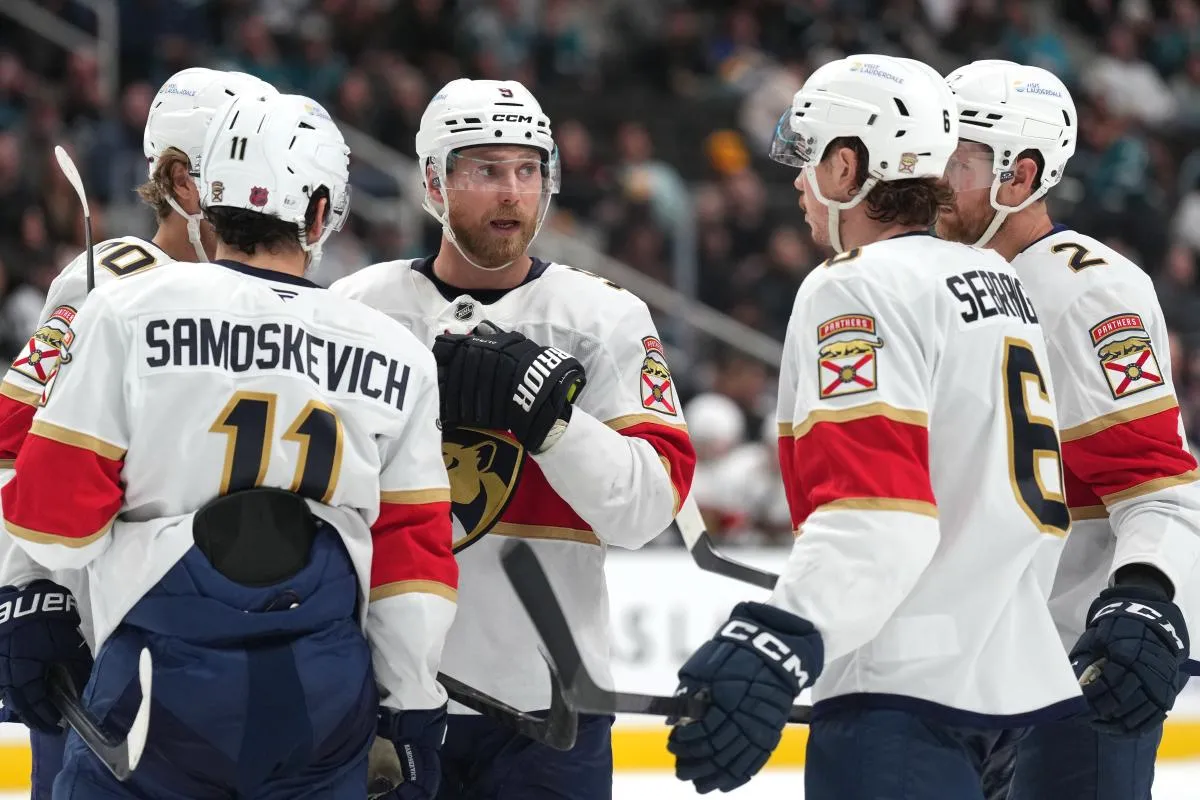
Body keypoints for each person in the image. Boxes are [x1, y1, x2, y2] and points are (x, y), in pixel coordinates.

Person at [0, 91, 457, 799]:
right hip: (323, 686)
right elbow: (413, 566)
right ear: (318, 214)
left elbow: (52, 525)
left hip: (161, 682)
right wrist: (412, 706)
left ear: (203, 201)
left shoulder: (125, 309)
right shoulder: (396, 351)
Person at [667, 54, 1088, 799]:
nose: (798, 179)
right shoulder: (997, 282)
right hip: (995, 688)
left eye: (809, 156)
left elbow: (877, 511)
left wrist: (780, 637)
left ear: (849, 165)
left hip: (899, 690)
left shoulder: (857, 284)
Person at [331, 78, 696, 800]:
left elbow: (648, 509)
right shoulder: (356, 310)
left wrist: (551, 423)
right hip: (383, 700)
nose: (511, 192)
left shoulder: (605, 317)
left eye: (528, 170)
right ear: (434, 181)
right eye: (486, 170)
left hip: (552, 713)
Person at [0, 66, 277, 800]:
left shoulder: (279, 300)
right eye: (245, 168)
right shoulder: (113, 279)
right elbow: (12, 439)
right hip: (107, 647)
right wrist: (27, 587)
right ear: (184, 180)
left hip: (244, 649)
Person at [938, 59, 1200, 800]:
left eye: (955, 160)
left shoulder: (1085, 287)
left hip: (1078, 669)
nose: (928, 179)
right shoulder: (934, 283)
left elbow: (1158, 488)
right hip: (985, 672)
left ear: (1018, 176)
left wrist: (1143, 598)